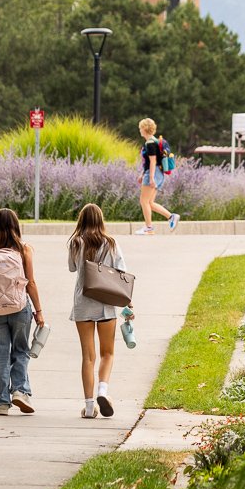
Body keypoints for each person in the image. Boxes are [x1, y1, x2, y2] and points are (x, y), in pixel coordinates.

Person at [0, 208, 45, 415]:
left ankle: (2, 403)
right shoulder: (24, 249)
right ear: (16, 225)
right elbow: (30, 283)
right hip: (20, 307)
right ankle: (20, 391)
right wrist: (39, 311)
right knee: (21, 350)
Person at [67, 203, 127, 419]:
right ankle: (103, 391)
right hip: (105, 304)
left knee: (87, 356)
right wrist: (128, 303)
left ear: (81, 221)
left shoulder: (75, 242)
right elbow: (122, 272)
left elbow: (72, 267)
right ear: (101, 220)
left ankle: (90, 406)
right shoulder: (111, 243)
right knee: (107, 353)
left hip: (82, 303)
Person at [136, 118, 179, 234]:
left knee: (144, 201)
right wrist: (142, 174)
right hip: (159, 174)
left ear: (145, 129)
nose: (139, 130)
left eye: (140, 128)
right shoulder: (154, 141)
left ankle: (149, 228)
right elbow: (149, 163)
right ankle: (171, 217)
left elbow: (153, 161)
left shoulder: (150, 143)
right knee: (150, 203)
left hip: (153, 174)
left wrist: (150, 178)